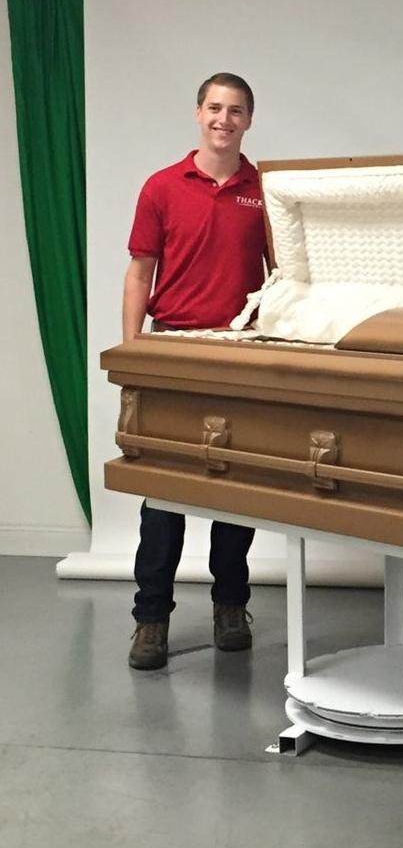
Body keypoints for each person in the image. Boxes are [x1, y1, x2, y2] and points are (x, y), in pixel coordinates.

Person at [124, 73, 268, 671]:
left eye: (235, 110)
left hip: (239, 353)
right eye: (214, 107)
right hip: (171, 350)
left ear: (249, 120)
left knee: (233, 491)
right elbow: (140, 272)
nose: (223, 119)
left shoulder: (265, 191)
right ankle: (151, 619)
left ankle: (230, 607)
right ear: (198, 113)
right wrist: (133, 352)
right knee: (163, 494)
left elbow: (284, 277)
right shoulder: (161, 186)